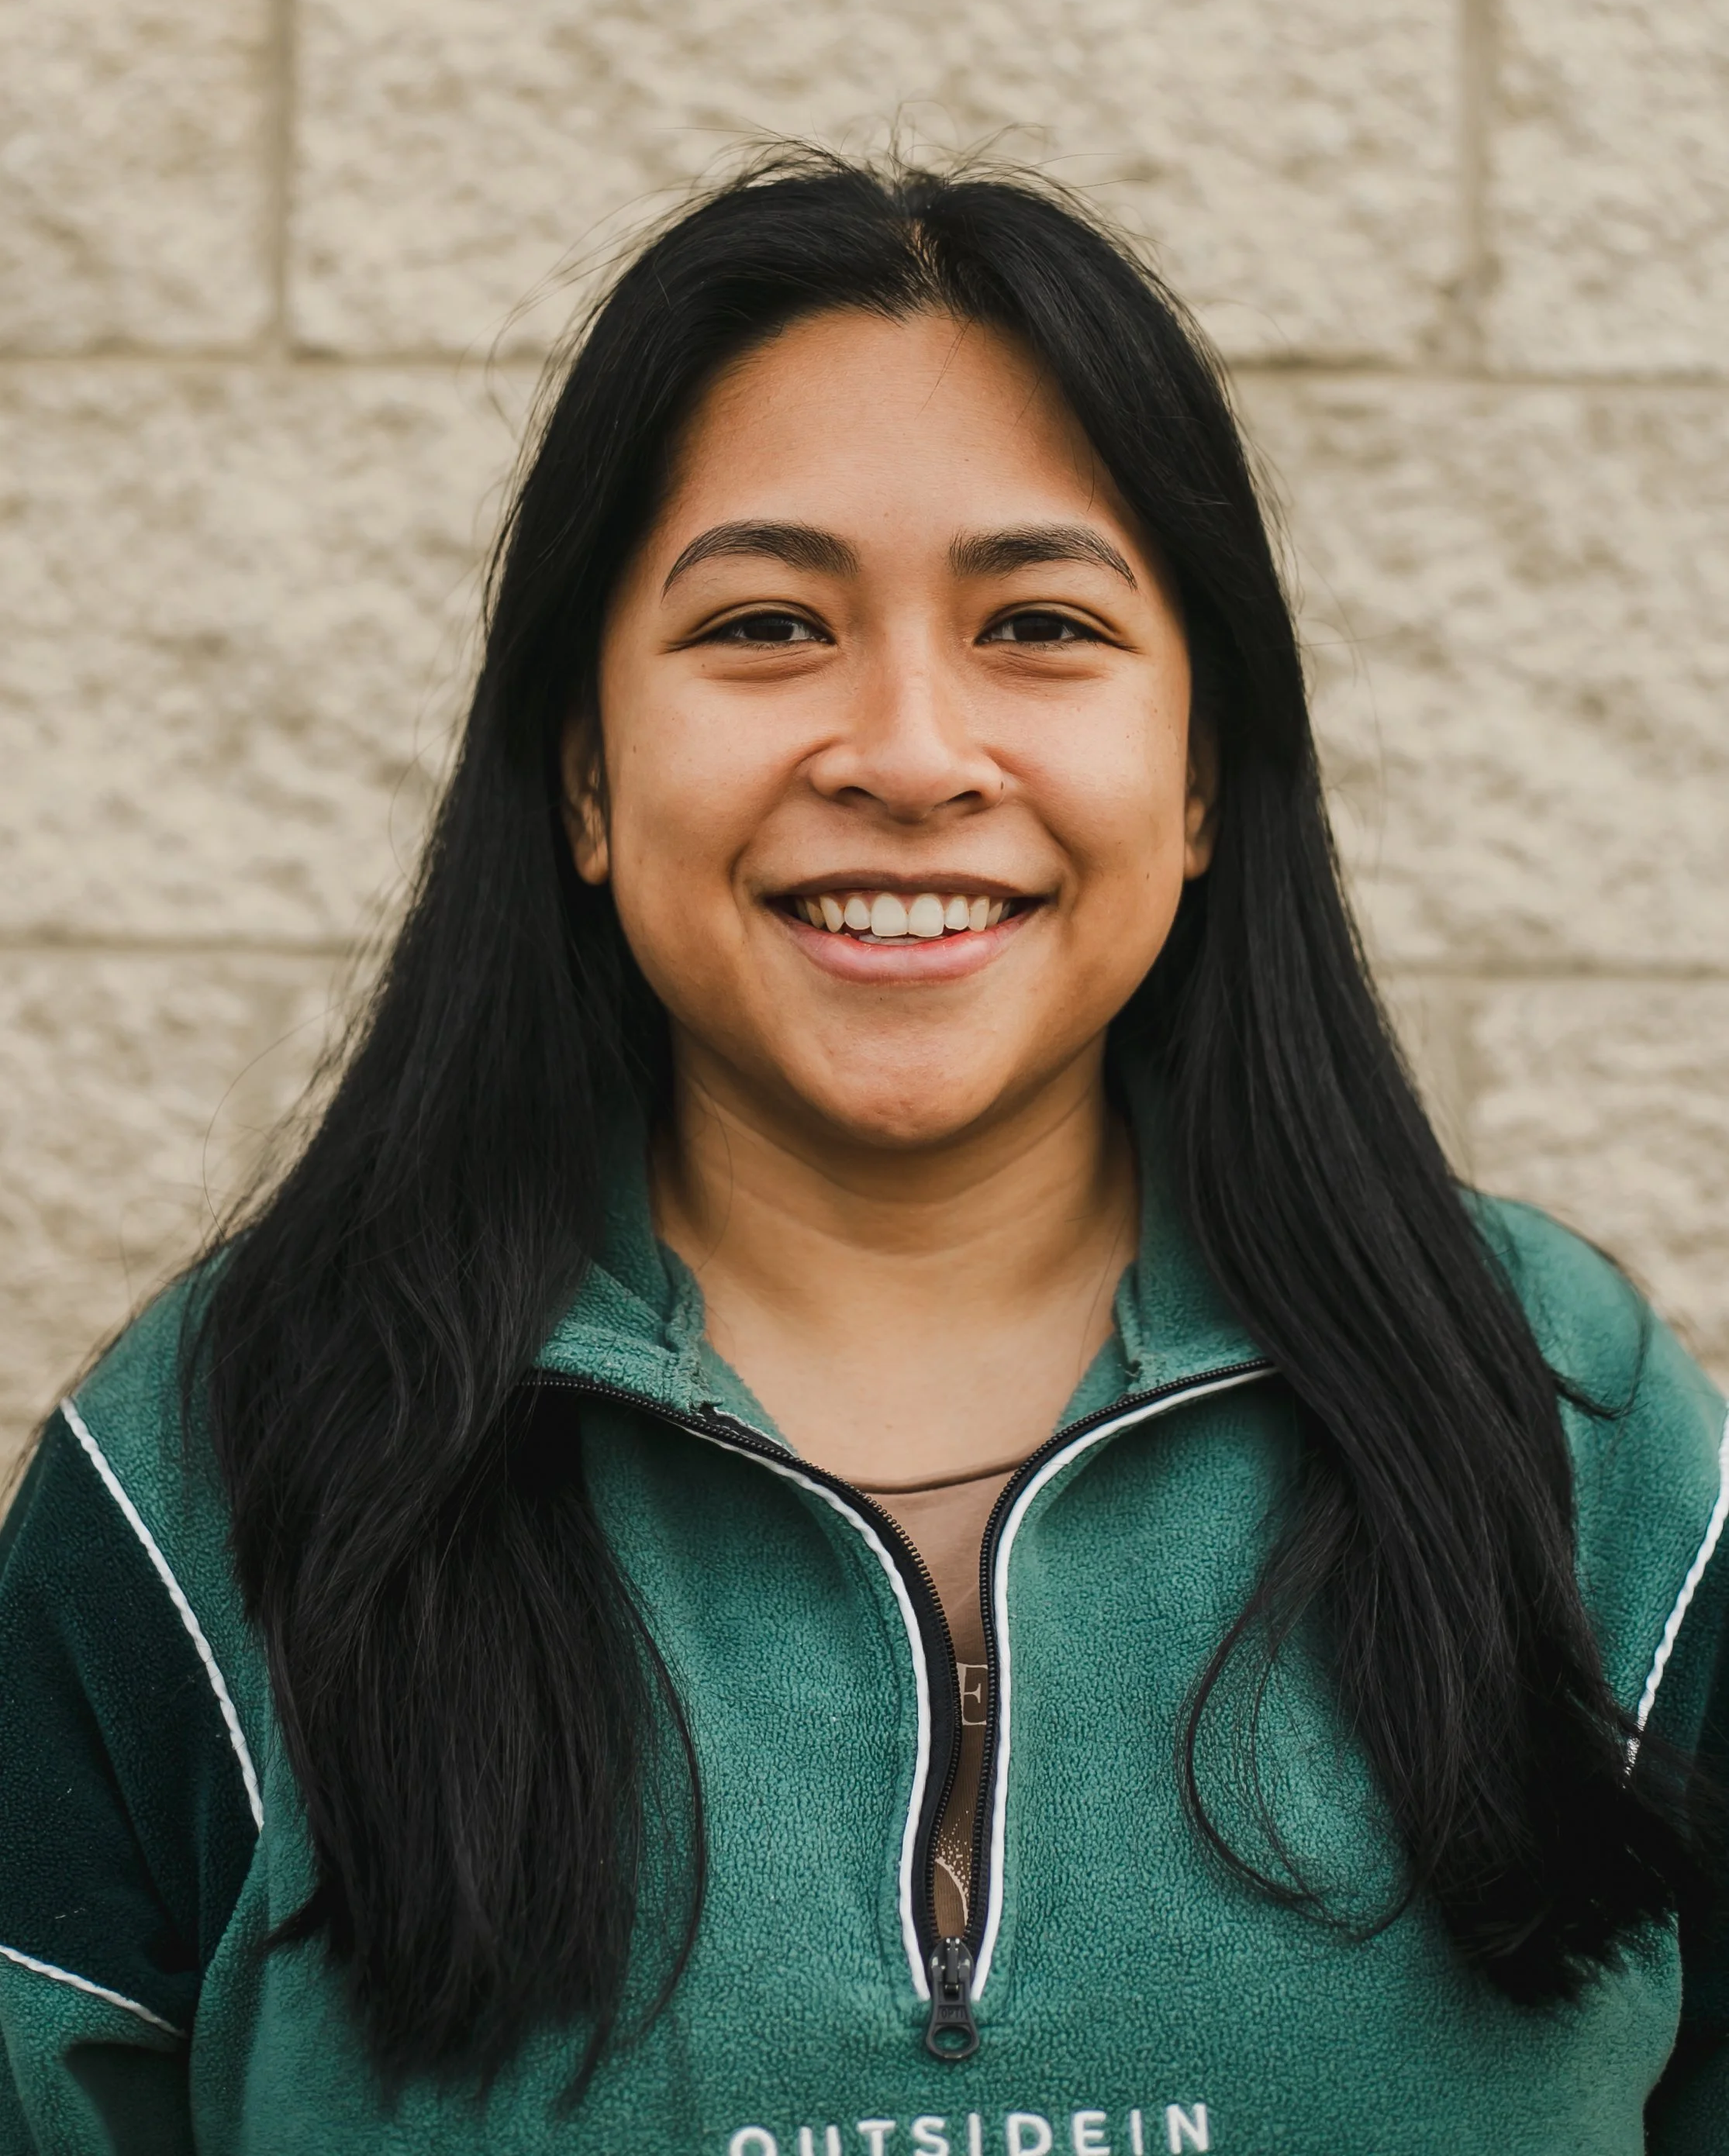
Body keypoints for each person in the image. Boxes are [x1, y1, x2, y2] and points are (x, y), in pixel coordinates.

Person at [0, 159, 1724, 2156]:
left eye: (1041, 625)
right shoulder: (215, 1476)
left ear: (1198, 776)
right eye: (766, 624)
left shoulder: (1574, 1434)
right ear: (583, 772)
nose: (908, 754)